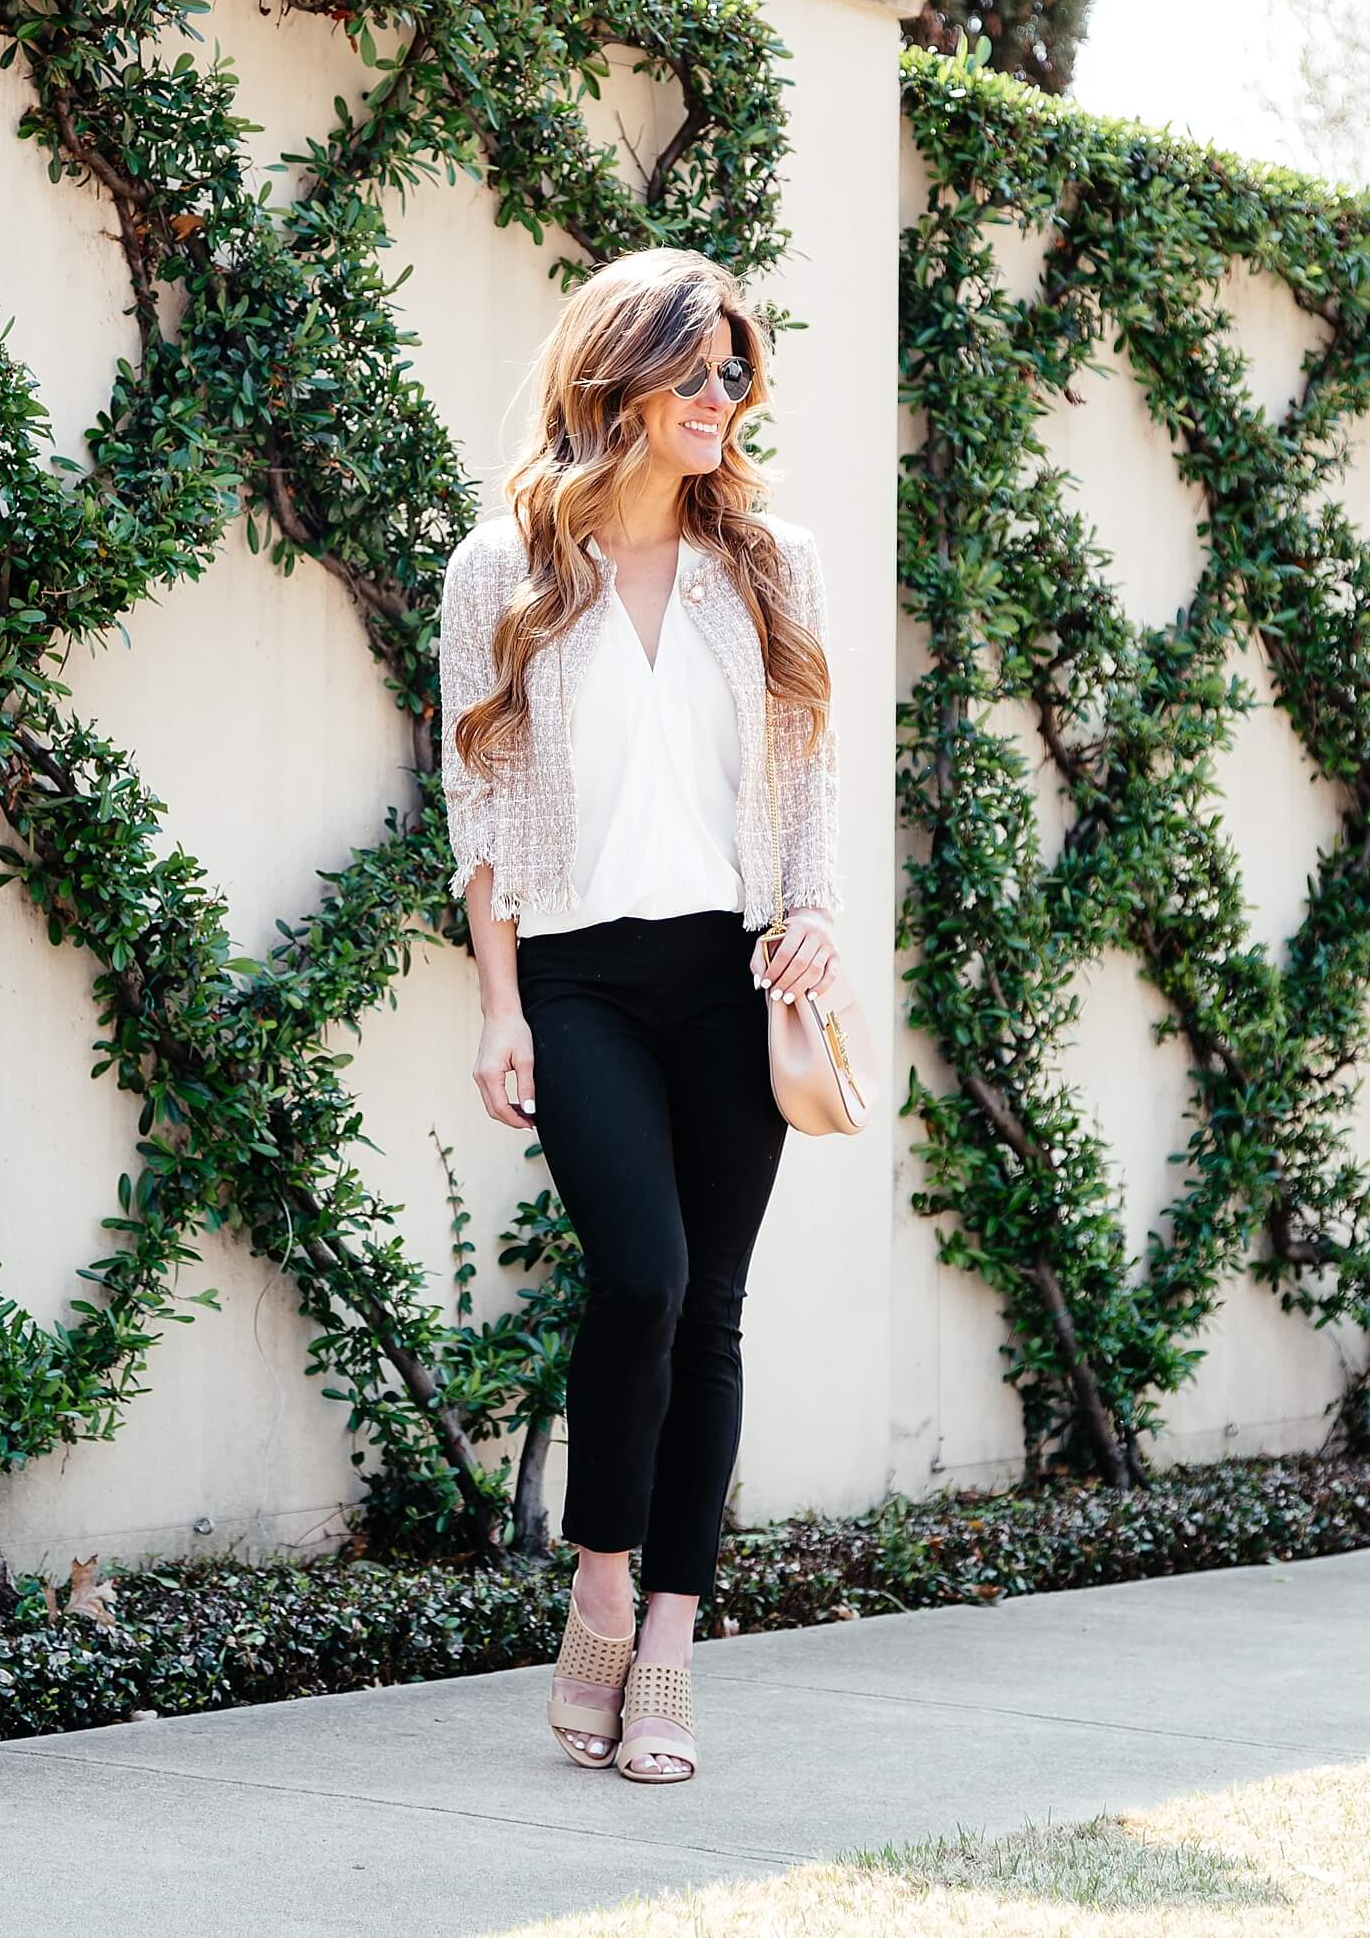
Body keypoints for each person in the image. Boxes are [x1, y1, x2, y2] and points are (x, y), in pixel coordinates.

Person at [436, 245, 843, 1783]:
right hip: (584, 977)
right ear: (618, 382)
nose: (723, 400)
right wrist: (497, 1005)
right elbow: (480, 807)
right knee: (644, 1281)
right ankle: (598, 1585)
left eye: (735, 372)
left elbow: (802, 779)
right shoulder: (505, 569)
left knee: (715, 1309)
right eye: (695, 373)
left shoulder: (770, 561)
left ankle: (668, 1642)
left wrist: (808, 920)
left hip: (731, 973)